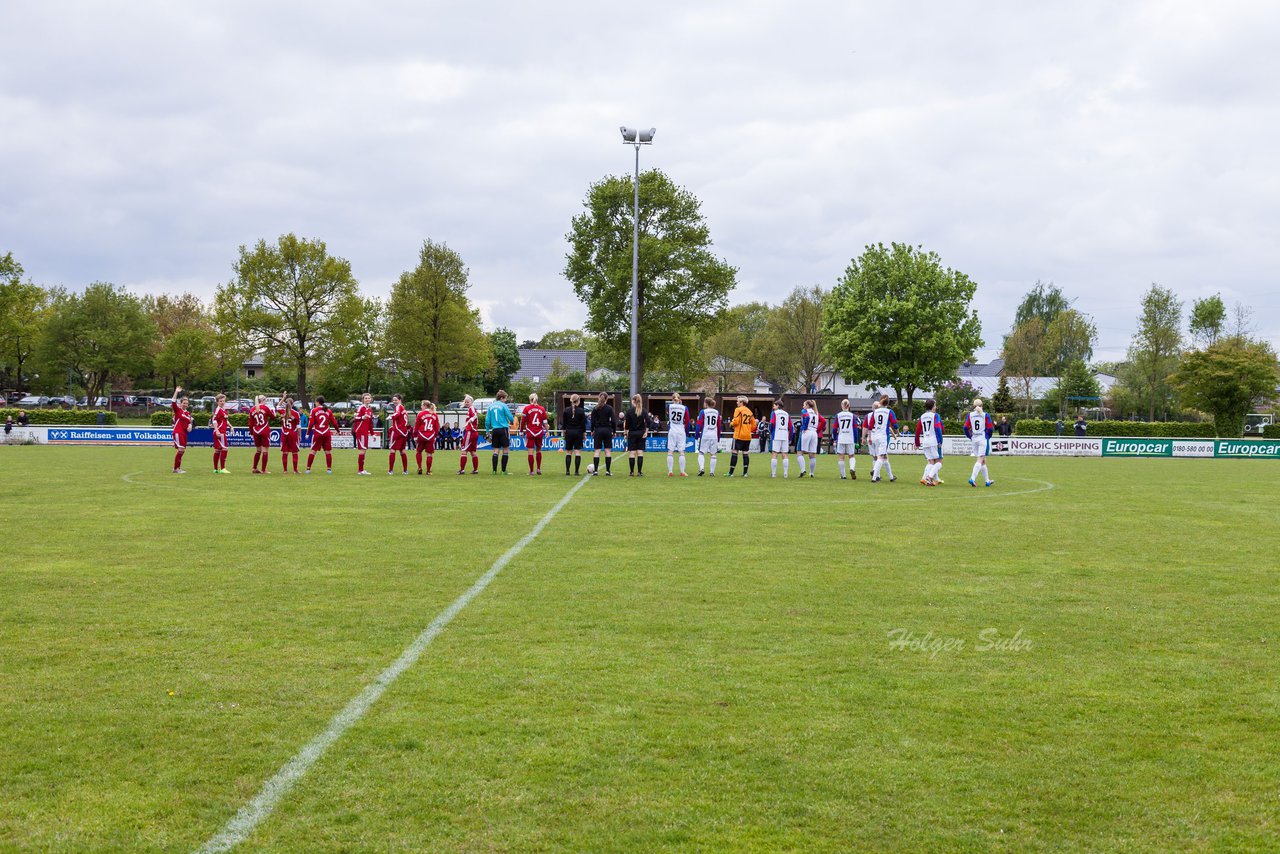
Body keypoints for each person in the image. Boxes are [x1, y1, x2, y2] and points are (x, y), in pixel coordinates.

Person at [865, 397, 898, 483]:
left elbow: (870, 425)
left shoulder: (875, 411)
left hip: (875, 436)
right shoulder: (889, 412)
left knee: (884, 457)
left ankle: (891, 477)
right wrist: (897, 432)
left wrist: (869, 437)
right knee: (881, 457)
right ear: (887, 404)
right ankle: (874, 477)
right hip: (883, 436)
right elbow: (894, 423)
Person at [965, 397, 995, 487]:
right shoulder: (985, 415)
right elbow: (990, 427)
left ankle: (987, 481)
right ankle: (972, 479)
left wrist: (969, 436)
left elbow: (965, 427)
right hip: (982, 438)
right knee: (980, 459)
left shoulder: (970, 415)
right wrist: (988, 436)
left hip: (974, 438)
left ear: (974, 406)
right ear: (982, 406)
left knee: (983, 460)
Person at [915, 398, 945, 486]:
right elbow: (938, 428)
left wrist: (917, 442)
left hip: (925, 442)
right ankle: (929, 477)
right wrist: (940, 440)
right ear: (932, 406)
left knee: (931, 462)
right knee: (939, 461)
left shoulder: (922, 416)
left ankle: (924, 479)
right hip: (934, 441)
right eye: (935, 405)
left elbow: (917, 430)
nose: (935, 407)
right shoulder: (935, 416)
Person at [831, 398, 860, 481]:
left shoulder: (838, 415)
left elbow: (834, 428)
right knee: (851, 456)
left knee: (841, 457)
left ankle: (843, 475)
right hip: (850, 438)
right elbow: (855, 429)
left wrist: (835, 438)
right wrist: (856, 440)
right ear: (849, 406)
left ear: (841, 406)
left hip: (841, 438)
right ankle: (852, 468)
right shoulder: (852, 416)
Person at [305, 396, 336, 474]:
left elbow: (311, 423)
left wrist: (308, 433)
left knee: (313, 451)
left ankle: (308, 469)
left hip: (318, 433)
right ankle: (329, 469)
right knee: (327, 452)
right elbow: (334, 422)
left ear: (317, 402)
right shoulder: (328, 410)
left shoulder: (314, 410)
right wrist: (338, 430)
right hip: (326, 433)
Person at [727, 396, 756, 478]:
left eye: (738, 401)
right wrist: (747, 429)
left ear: (742, 402)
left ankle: (731, 473)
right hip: (747, 435)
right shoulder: (750, 411)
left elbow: (736, 421)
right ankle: (745, 473)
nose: (737, 403)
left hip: (739, 435)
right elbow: (754, 425)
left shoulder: (738, 410)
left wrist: (731, 424)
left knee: (734, 452)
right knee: (745, 453)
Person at [589, 392, 617, 476]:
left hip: (598, 430)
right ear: (607, 399)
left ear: (599, 398)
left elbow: (592, 421)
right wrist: (614, 431)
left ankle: (596, 471)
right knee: (607, 450)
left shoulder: (595, 408)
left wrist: (592, 430)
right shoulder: (609, 408)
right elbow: (613, 421)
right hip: (607, 430)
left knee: (597, 450)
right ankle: (608, 471)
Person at [621, 394, 650, 476]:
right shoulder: (644, 411)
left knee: (632, 453)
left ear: (633, 401)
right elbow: (649, 422)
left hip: (632, 433)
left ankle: (631, 472)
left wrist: (625, 433)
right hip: (641, 433)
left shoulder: (629, 411)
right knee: (640, 453)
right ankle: (639, 472)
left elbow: (626, 425)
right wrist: (646, 432)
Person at [487, 390, 514, 475]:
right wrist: (512, 422)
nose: (505, 400)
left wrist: (487, 431)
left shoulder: (490, 406)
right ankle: (503, 471)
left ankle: (494, 471)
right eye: (505, 398)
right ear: (501, 398)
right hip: (503, 429)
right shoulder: (503, 405)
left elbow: (487, 420)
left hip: (494, 430)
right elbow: (510, 416)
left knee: (496, 450)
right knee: (505, 449)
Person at [694, 397, 722, 476]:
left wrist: (696, 435)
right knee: (713, 454)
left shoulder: (703, 412)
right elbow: (719, 426)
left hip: (705, 434)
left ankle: (702, 468)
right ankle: (712, 472)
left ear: (706, 403)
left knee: (701, 453)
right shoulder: (716, 412)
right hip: (714, 435)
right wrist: (718, 437)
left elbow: (699, 424)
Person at [561, 393, 587, 475]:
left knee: (568, 452)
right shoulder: (581, 411)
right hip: (578, 432)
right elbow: (583, 424)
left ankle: (567, 471)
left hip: (569, 432)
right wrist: (584, 434)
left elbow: (564, 424)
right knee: (577, 452)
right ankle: (576, 471)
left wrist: (564, 432)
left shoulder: (566, 410)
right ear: (578, 401)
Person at [523, 392, 548, 475]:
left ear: (530, 399)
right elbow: (545, 422)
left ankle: (531, 471)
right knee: (539, 450)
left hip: (530, 432)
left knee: (530, 452)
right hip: (539, 432)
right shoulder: (542, 409)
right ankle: (538, 469)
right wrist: (547, 431)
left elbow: (522, 421)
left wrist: (520, 431)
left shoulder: (526, 408)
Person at [666, 392, 690, 477]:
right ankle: (682, 471)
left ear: (672, 399)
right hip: (680, 430)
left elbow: (668, 414)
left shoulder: (669, 406)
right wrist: (687, 432)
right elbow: (687, 421)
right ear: (680, 399)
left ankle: (670, 471)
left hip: (672, 430)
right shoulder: (685, 408)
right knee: (681, 452)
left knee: (670, 451)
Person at [249, 394, 274, 474]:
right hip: (264, 430)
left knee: (258, 450)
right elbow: (273, 417)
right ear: (262, 400)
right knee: (265, 450)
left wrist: (251, 432)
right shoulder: (265, 408)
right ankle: (264, 469)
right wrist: (273, 410)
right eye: (265, 400)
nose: (266, 402)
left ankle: (254, 467)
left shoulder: (252, 409)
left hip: (256, 431)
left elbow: (250, 423)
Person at [413, 400, 440, 474]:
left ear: (425, 405)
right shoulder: (434, 414)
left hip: (421, 435)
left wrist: (415, 437)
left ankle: (419, 467)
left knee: (418, 452)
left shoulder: (420, 414)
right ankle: (428, 471)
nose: (421, 407)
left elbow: (416, 427)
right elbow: (437, 428)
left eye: (422, 405)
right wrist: (434, 436)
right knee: (429, 454)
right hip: (430, 436)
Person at [170, 387, 193, 473]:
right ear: (181, 403)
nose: (185, 405)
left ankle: (176, 467)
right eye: (184, 403)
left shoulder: (187, 413)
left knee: (182, 450)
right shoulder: (178, 410)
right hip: (178, 432)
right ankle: (176, 469)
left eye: (187, 403)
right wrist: (176, 392)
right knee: (181, 450)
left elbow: (189, 421)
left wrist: (190, 426)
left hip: (184, 433)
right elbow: (173, 401)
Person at [796, 399, 820, 478]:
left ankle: (803, 470)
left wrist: (804, 427)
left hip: (807, 432)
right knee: (812, 454)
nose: (803, 406)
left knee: (799, 452)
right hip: (814, 432)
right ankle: (812, 473)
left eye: (804, 405)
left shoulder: (805, 411)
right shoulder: (816, 413)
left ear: (807, 405)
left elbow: (806, 417)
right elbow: (823, 422)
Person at [277, 396, 302, 473]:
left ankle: (285, 470)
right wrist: (299, 435)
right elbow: (298, 426)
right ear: (292, 404)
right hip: (292, 434)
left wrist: (283, 398)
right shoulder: (296, 413)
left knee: (285, 452)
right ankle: (295, 470)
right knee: (294, 452)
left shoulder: (282, 411)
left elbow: (277, 406)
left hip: (284, 434)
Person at [387, 394, 410, 474]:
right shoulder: (403, 408)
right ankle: (405, 470)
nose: (394, 401)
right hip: (404, 432)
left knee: (392, 450)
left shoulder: (398, 407)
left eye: (396, 400)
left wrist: (391, 417)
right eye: (393, 400)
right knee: (402, 450)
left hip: (397, 431)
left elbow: (397, 414)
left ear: (400, 400)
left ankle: (390, 470)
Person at [768, 399, 792, 478]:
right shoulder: (787, 414)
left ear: (778, 406)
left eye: (774, 405)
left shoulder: (775, 413)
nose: (773, 407)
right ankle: (785, 473)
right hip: (785, 435)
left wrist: (771, 432)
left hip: (777, 434)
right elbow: (790, 427)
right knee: (784, 454)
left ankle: (774, 473)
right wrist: (790, 437)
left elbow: (772, 423)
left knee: (774, 453)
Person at [352, 393, 375, 474]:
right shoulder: (361, 407)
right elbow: (355, 419)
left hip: (365, 432)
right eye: (366, 398)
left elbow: (370, 423)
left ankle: (362, 469)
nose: (367, 399)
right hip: (360, 431)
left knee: (364, 450)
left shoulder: (369, 409)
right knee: (362, 450)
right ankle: (360, 470)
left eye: (369, 398)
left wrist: (372, 433)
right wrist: (362, 417)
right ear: (363, 399)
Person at [457, 394, 480, 474]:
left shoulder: (471, 408)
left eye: (468, 402)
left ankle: (462, 470)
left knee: (464, 450)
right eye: (465, 402)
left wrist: (471, 420)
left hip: (470, 432)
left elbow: (475, 416)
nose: (466, 403)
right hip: (475, 432)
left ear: (472, 402)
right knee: (473, 451)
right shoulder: (471, 409)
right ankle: (475, 470)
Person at [210, 393, 231, 474]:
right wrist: (217, 430)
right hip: (220, 432)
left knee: (217, 450)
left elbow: (225, 420)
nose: (222, 402)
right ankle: (222, 468)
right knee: (225, 449)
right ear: (217, 402)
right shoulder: (218, 410)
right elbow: (214, 420)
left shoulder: (223, 410)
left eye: (223, 401)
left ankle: (215, 469)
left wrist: (230, 426)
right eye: (220, 401)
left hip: (220, 431)